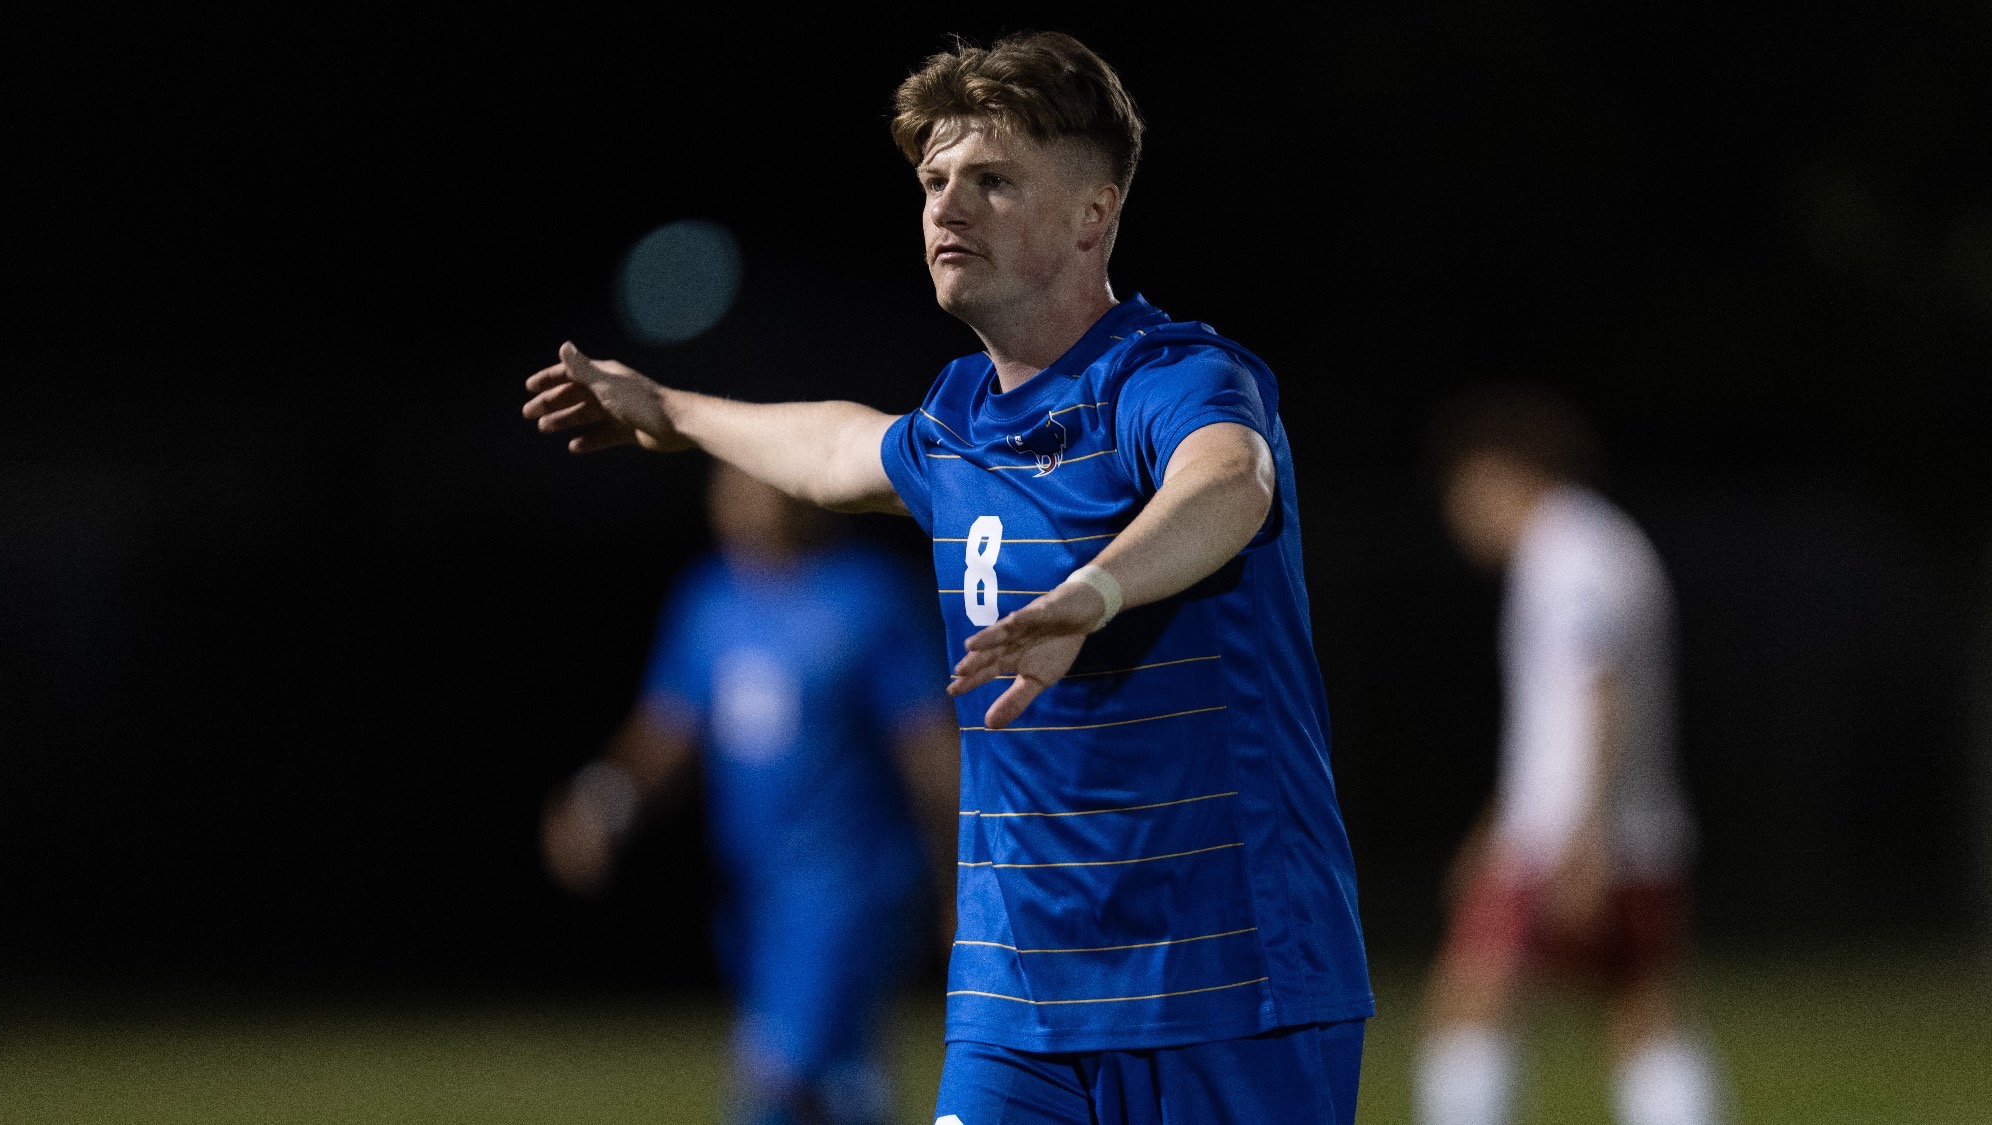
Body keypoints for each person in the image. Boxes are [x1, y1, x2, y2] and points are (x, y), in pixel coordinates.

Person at [524, 31, 1372, 1123]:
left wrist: (1092, 594)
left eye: (992, 181)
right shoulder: (959, 420)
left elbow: (1229, 481)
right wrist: (673, 411)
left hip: (1227, 982)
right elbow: (836, 448)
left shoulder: (1170, 375)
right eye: (933, 181)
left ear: (1093, 214)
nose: (947, 208)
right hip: (1016, 998)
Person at [541, 461, 957, 1125]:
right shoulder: (710, 602)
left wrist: (962, 878)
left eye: (756, 482)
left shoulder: (867, 598)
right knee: (838, 1082)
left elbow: (929, 749)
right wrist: (602, 801)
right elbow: (669, 730)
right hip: (755, 889)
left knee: (776, 1078)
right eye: (729, 483)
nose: (739, 499)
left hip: (849, 885)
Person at [1416, 386, 1724, 1125]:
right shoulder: (1605, 541)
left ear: (1497, 470)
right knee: (1643, 1015)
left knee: (1466, 1003)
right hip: (1636, 826)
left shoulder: (1566, 555)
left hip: (1567, 836)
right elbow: (1558, 718)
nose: (1458, 514)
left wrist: (1584, 835)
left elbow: (1598, 687)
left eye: (1460, 490)